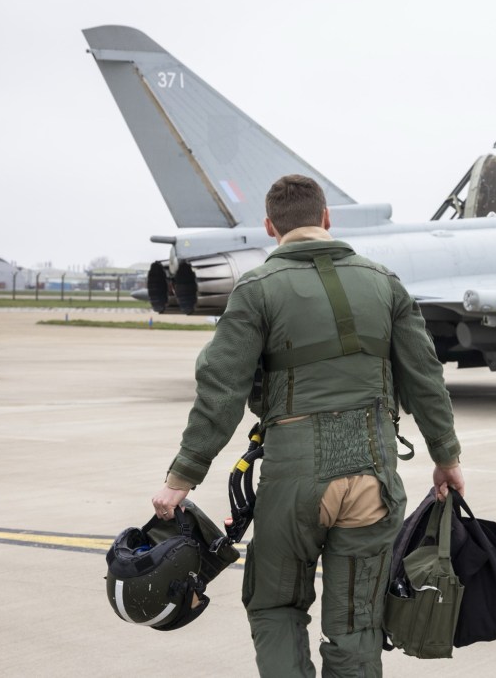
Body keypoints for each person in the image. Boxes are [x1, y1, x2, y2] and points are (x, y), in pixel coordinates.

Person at [151, 174, 464, 677]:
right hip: (372, 477)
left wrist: (181, 478)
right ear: (326, 219)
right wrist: (446, 458)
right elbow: (426, 378)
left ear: (269, 227)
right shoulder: (385, 283)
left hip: (294, 478)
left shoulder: (256, 289)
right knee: (356, 623)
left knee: (275, 605)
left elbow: (220, 389)